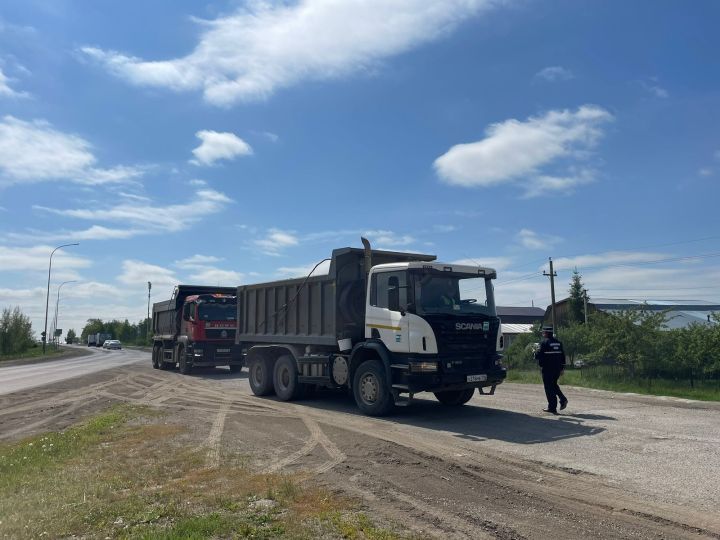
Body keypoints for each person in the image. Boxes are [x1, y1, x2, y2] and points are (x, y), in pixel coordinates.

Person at [535, 326, 568, 414]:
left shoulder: (544, 343)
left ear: (546, 333)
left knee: (549, 388)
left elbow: (538, 356)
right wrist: (562, 368)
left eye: (543, 332)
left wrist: (535, 352)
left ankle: (552, 407)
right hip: (557, 369)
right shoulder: (558, 343)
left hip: (547, 369)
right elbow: (563, 356)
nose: (543, 334)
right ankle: (563, 399)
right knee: (553, 385)